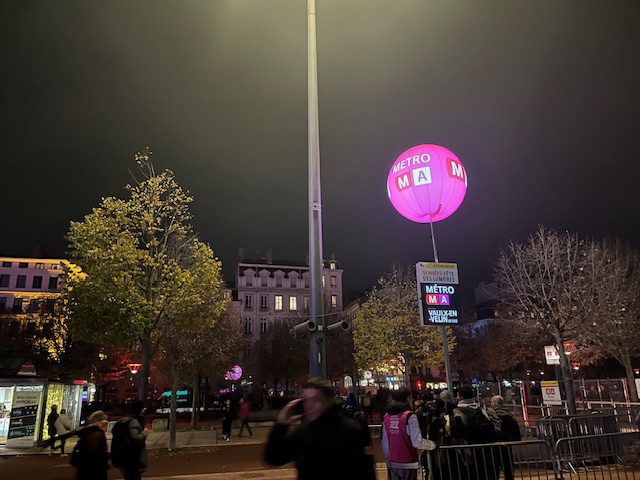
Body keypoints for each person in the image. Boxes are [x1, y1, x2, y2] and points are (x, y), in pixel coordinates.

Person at [265, 377, 373, 480]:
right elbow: (274, 457)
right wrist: (281, 425)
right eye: (306, 400)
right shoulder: (303, 432)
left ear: (328, 401)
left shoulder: (350, 430)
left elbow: (364, 473)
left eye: (315, 400)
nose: (309, 406)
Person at [382, 388, 435, 480]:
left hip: (393, 462)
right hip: (408, 461)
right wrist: (432, 445)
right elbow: (417, 442)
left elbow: (385, 442)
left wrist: (388, 458)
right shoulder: (409, 416)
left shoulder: (386, 416)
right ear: (406, 398)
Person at [450, 386, 498, 480]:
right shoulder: (480, 410)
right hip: (484, 450)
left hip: (466, 451)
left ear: (460, 397)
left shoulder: (457, 412)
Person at [487, 395, 521, 480]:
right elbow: (517, 434)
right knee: (508, 471)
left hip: (494, 447)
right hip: (507, 447)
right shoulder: (509, 416)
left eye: (491, 402)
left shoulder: (491, 416)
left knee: (494, 471)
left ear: (494, 403)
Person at [112, 401, 148, 480]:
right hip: (133, 459)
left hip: (124, 458)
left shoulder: (124, 421)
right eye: (143, 409)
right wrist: (145, 433)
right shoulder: (133, 422)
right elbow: (136, 439)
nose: (144, 410)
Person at [72, 410, 109, 480]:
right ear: (99, 421)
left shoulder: (88, 431)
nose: (106, 423)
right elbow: (95, 453)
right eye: (105, 421)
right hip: (94, 470)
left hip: (84, 468)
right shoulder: (96, 434)